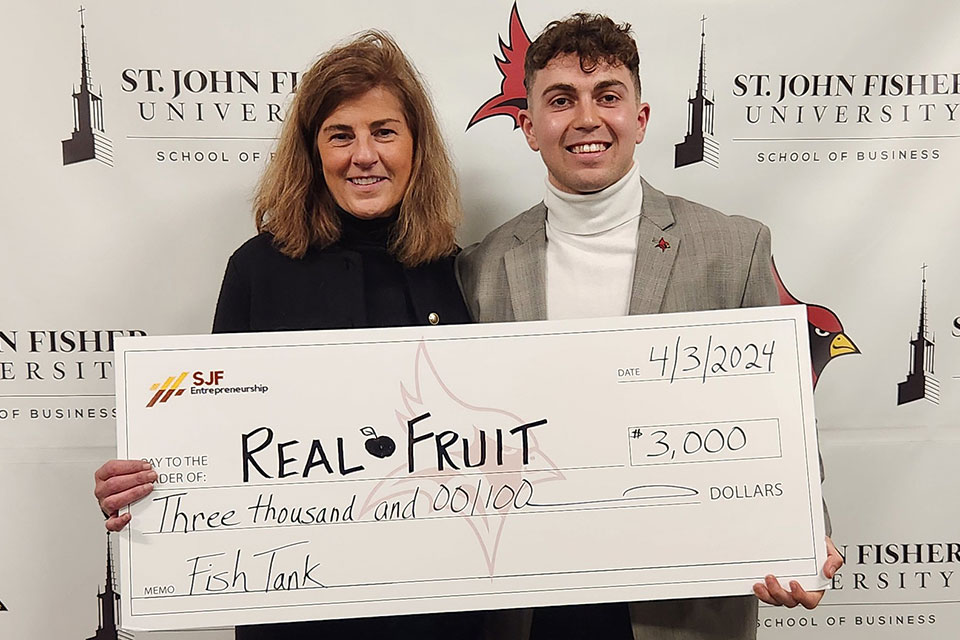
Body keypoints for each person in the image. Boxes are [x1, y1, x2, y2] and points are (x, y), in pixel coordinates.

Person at [456, 13, 844, 640]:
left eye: (608, 96)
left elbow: (780, 417)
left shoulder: (735, 247)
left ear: (639, 119)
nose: (587, 118)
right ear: (528, 126)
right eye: (561, 100)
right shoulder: (479, 267)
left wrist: (800, 532)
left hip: (681, 608)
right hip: (534, 603)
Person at [94, 30, 477, 640]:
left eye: (384, 131)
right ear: (312, 152)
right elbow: (211, 435)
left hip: (434, 611)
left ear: (416, 146)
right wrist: (145, 482)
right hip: (294, 613)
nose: (364, 155)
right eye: (340, 135)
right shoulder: (257, 270)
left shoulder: (457, 271)